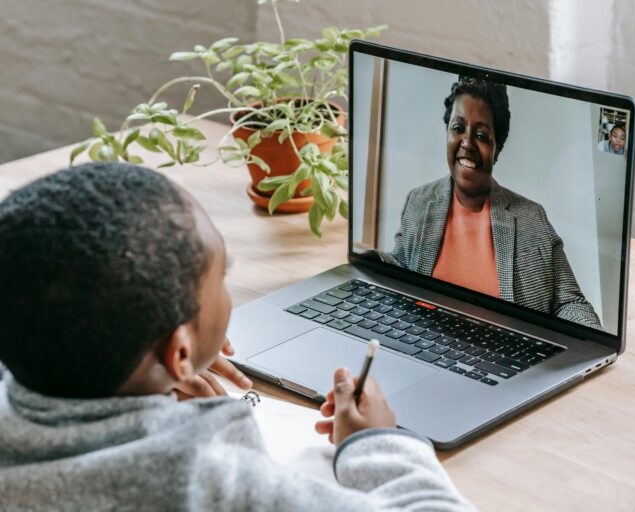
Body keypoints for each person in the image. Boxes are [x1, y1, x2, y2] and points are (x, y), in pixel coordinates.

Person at [0, 162, 474, 511]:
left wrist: (150, 369)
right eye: (220, 275)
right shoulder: (209, 484)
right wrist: (372, 445)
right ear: (179, 350)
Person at [382, 76, 602, 330]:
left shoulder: (531, 218)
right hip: (423, 348)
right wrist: (366, 265)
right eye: (458, 128)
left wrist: (581, 348)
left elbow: (570, 304)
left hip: (504, 360)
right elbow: (400, 266)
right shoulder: (419, 201)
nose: (467, 143)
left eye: (481, 135)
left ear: (497, 149)